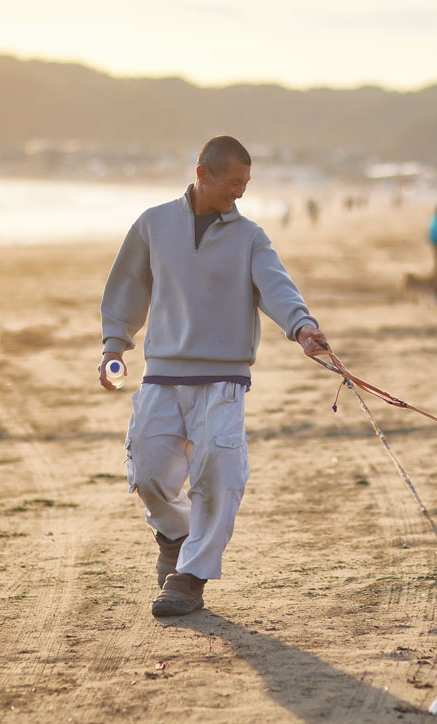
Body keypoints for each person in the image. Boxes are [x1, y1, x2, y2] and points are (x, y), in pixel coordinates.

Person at [99, 135, 329, 618]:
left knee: (218, 474)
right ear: (203, 174)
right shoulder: (153, 224)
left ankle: (191, 576)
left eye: (246, 183)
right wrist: (114, 346)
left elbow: (276, 286)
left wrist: (302, 326)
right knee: (145, 471)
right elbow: (128, 287)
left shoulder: (250, 237)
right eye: (234, 183)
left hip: (224, 378)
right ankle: (177, 534)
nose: (240, 193)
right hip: (162, 373)